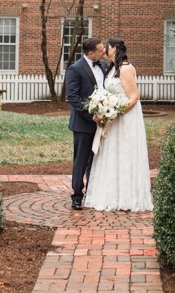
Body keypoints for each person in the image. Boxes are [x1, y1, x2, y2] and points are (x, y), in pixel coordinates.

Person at [84, 38, 153, 212]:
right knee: (112, 154)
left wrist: (116, 111)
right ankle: (112, 194)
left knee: (125, 153)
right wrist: (104, 109)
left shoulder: (126, 68)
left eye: (106, 46)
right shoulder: (111, 68)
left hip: (126, 118)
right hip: (113, 118)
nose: (103, 49)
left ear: (114, 48)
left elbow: (134, 97)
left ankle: (128, 197)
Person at [65, 37, 106, 210]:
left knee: (96, 160)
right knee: (81, 161)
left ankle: (92, 193)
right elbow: (73, 97)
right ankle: (76, 196)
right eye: (101, 50)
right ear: (91, 53)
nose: (103, 52)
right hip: (83, 123)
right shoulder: (75, 69)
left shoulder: (103, 66)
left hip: (103, 122)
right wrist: (91, 115)